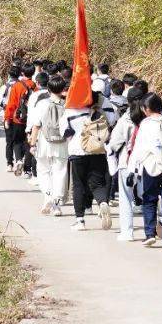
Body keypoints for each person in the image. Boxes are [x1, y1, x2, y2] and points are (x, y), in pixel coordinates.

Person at [61, 90, 117, 231]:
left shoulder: (70, 111)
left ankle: (80, 220)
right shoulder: (101, 108)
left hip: (77, 151)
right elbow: (112, 121)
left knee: (78, 185)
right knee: (97, 183)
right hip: (97, 150)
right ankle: (103, 202)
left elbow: (64, 132)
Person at [130, 93, 162, 247]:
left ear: (147, 109)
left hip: (151, 166)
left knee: (149, 200)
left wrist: (133, 169)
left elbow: (139, 148)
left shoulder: (145, 124)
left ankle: (150, 233)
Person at [29, 75, 70, 216]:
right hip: (63, 143)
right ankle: (56, 205)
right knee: (60, 172)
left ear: (48, 88)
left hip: (45, 142)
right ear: (63, 89)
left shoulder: (42, 104)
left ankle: (47, 196)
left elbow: (36, 126)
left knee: (43, 171)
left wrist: (32, 144)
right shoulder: (67, 104)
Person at [108, 98, 145, 241]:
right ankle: (155, 228)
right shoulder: (150, 120)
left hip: (127, 162)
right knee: (150, 197)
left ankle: (127, 232)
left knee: (126, 197)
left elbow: (114, 143)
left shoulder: (125, 120)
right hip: (148, 163)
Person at [4, 65, 35, 175]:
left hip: (18, 118)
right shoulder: (35, 86)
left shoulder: (17, 86)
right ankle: (27, 169)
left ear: (22, 73)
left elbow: (11, 104)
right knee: (28, 142)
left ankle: (18, 160)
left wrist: (7, 118)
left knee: (17, 141)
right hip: (31, 119)